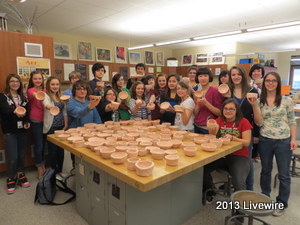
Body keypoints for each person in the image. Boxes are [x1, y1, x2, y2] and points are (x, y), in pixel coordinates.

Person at [255, 72, 297, 216]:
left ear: (278, 83)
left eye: (274, 80)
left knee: (284, 175)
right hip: (265, 140)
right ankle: (265, 197)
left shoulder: (286, 100)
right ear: (264, 82)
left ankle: (281, 203)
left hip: (283, 141)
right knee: (265, 171)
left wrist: (293, 139)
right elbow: (258, 122)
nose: (271, 83)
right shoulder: (260, 100)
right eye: (268, 80)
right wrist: (254, 106)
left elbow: (292, 121)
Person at [204, 98, 252, 203]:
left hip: (239, 156)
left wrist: (233, 138)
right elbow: (212, 136)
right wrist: (211, 130)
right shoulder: (219, 120)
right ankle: (211, 191)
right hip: (221, 156)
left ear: (237, 111)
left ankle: (239, 211)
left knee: (239, 183)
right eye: (225, 109)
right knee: (202, 169)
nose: (228, 111)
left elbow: (247, 142)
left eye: (231, 109)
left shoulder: (244, 122)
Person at [225, 65, 261, 191]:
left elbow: (256, 116)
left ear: (243, 76)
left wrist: (256, 134)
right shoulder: (226, 91)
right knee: (231, 157)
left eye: (238, 74)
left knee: (247, 160)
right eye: (233, 74)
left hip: (246, 129)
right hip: (229, 129)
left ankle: (248, 189)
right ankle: (235, 183)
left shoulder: (252, 91)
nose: (236, 77)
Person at [0, 74, 31, 194]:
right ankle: (11, 177)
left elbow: (27, 112)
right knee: (12, 157)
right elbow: (5, 111)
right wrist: (15, 111)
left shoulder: (23, 98)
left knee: (21, 155)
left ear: (20, 83)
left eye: (17, 81)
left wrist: (27, 121)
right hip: (10, 131)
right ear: (8, 83)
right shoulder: (3, 97)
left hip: (22, 131)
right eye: (12, 81)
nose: (15, 83)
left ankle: (20, 173)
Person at [43, 76, 68, 180]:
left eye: (57, 84)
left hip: (61, 127)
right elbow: (46, 105)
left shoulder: (61, 96)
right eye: (53, 84)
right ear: (49, 85)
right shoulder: (45, 95)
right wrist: (51, 107)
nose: (55, 86)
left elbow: (64, 112)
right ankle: (54, 172)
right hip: (51, 127)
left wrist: (66, 124)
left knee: (60, 151)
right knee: (53, 151)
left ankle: (60, 171)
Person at [27, 71, 46, 179]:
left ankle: (42, 164)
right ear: (32, 80)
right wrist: (41, 94)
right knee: (38, 145)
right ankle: (39, 167)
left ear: (42, 80)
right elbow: (35, 95)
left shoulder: (45, 90)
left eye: (40, 78)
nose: (38, 80)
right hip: (36, 120)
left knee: (44, 145)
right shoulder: (30, 91)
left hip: (46, 120)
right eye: (35, 78)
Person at [194, 67, 223, 134]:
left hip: (208, 128)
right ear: (197, 78)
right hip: (197, 125)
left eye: (205, 76)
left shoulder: (215, 91)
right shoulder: (197, 92)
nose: (203, 78)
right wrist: (198, 104)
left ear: (209, 77)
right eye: (200, 76)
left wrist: (206, 103)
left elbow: (219, 113)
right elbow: (195, 114)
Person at [248, 64, 265, 161]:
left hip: (261, 112)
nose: (256, 73)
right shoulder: (248, 83)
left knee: (258, 131)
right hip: (249, 111)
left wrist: (262, 86)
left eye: (258, 71)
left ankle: (256, 154)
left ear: (262, 73)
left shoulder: (266, 83)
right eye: (254, 71)